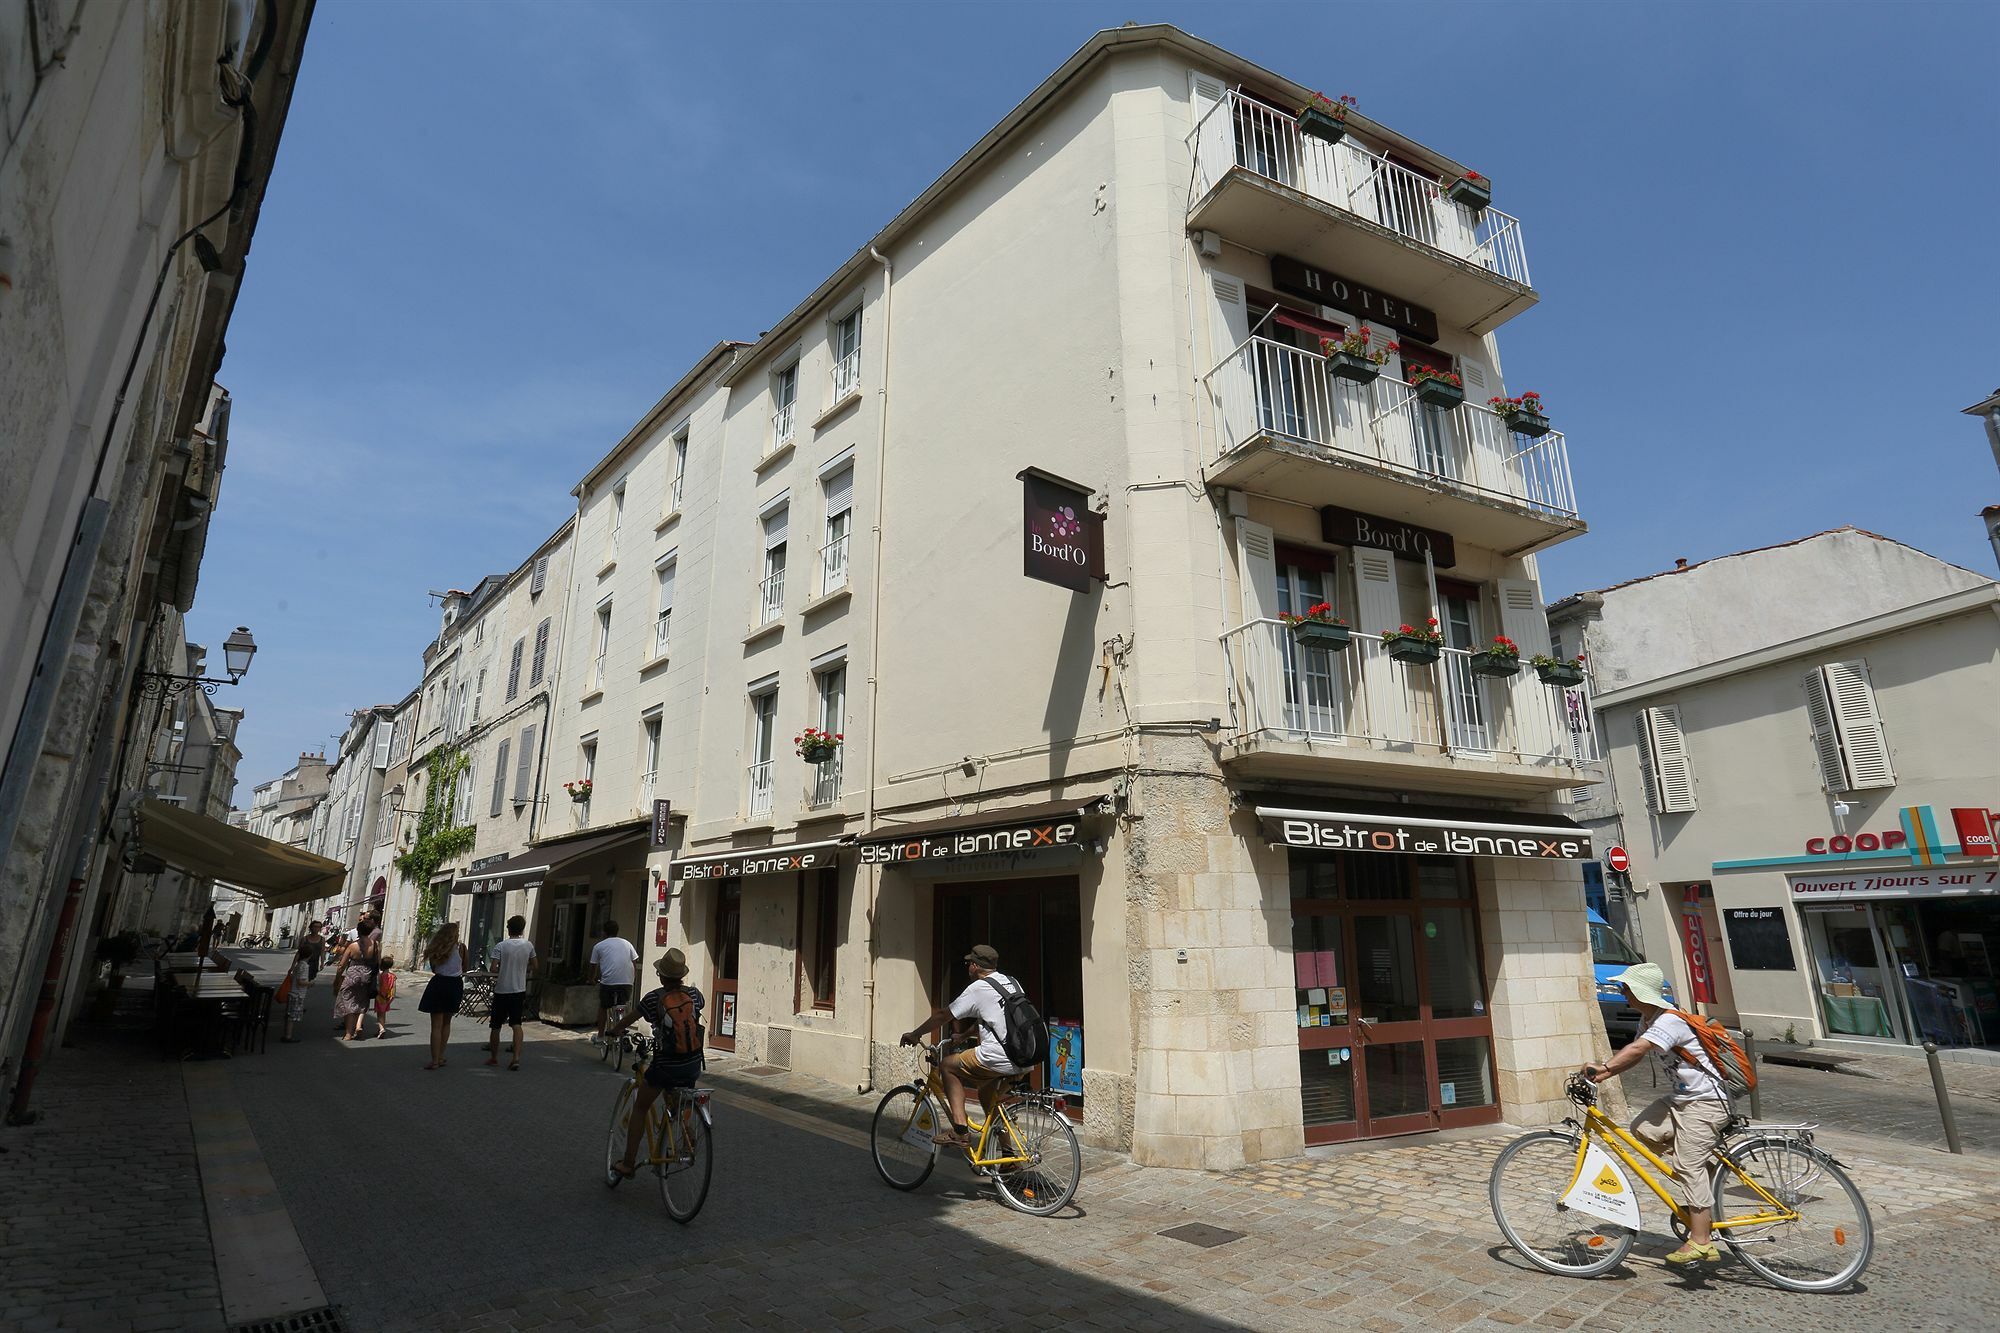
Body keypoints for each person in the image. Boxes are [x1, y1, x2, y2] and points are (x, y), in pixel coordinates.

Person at [1584, 962, 1734, 1268]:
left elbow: (1638, 1049)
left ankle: (1702, 1241)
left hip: (1707, 1101)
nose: (1622, 992)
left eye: (1626, 988)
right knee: (1641, 1129)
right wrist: (1605, 1073)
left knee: (1687, 1163)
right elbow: (1635, 1053)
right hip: (1682, 1099)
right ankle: (1700, 1176)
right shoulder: (1648, 1019)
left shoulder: (1670, 1021)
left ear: (1641, 992)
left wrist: (1605, 1069)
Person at [899, 944, 1022, 1147]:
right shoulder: (1011, 982)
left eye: (968, 964)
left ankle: (960, 1131)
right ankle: (1009, 1158)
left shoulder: (978, 988)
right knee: (986, 1094)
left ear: (974, 966)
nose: (968, 968)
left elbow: (943, 1015)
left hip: (998, 1056)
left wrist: (916, 1034)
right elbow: (991, 1019)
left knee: (947, 1065)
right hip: (1024, 1058)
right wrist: (964, 1036)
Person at [606, 948, 705, 1181]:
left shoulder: (653, 998)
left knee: (641, 1106)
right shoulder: (695, 995)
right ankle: (686, 1137)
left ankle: (628, 1163)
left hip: (666, 1066)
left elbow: (631, 1017)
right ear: (681, 975)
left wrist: (614, 1030)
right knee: (679, 1096)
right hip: (692, 1064)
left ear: (661, 975)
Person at [485, 915, 537, 1071]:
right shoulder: (528, 946)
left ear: (508, 928)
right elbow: (535, 965)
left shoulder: (501, 946)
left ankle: (494, 1057)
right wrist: (522, 969)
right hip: (518, 989)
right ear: (522, 929)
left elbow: (493, 968)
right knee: (516, 1024)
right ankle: (516, 1058)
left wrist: (503, 970)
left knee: (496, 1026)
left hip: (502, 990)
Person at [419, 922, 470, 1070]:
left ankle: (434, 1060)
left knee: (436, 1025)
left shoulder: (437, 948)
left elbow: (434, 969)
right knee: (447, 1023)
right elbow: (465, 968)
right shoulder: (461, 948)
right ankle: (441, 1056)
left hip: (439, 983)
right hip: (455, 984)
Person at [330, 914, 382, 1041]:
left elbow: (341, 965)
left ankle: (348, 1033)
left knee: (348, 1003)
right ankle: (358, 1025)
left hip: (352, 975)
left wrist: (337, 979)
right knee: (361, 1002)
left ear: (358, 931)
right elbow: (378, 963)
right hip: (367, 975)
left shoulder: (353, 946)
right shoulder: (376, 945)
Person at [588, 921, 640, 1046]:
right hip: (627, 982)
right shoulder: (627, 944)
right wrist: (633, 978)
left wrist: (591, 979)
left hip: (608, 983)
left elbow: (593, 966)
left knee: (604, 1007)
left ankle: (600, 1036)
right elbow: (634, 962)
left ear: (604, 932)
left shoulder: (599, 946)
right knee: (624, 1004)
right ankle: (623, 1026)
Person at [278, 937, 314, 1043]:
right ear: (310, 955)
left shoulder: (299, 965)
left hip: (292, 993)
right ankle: (288, 1036)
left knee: (289, 1015)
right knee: (292, 1016)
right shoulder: (304, 966)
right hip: (297, 994)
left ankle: (286, 1034)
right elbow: (300, 982)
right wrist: (310, 983)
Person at [367, 956, 398, 1039]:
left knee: (379, 1014)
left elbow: (378, 986)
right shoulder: (393, 976)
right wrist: (392, 996)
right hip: (388, 997)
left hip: (380, 996)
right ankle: (380, 1029)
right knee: (383, 1014)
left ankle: (381, 1029)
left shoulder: (380, 975)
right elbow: (394, 988)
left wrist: (376, 993)